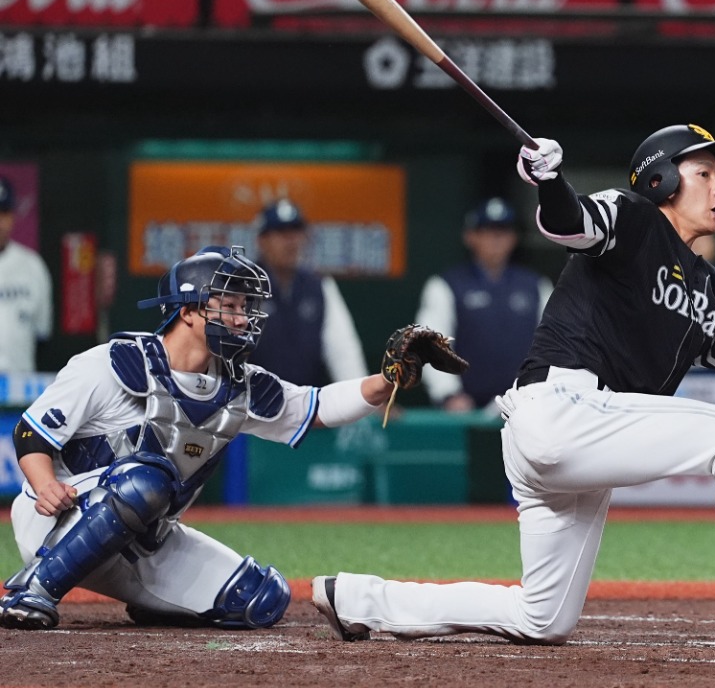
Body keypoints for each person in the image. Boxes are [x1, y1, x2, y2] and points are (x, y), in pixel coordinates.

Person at [312, 123, 715, 658]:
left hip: (578, 432)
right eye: (705, 173)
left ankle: (358, 598)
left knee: (543, 618)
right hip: (563, 406)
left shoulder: (707, 286)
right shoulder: (634, 215)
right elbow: (569, 222)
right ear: (663, 180)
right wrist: (550, 180)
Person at [0, 246, 463, 631]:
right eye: (230, 305)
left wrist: (388, 379)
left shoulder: (239, 384)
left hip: (143, 542)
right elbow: (30, 432)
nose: (243, 318)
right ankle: (32, 590)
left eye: (245, 307)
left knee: (260, 598)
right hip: (58, 523)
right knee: (146, 481)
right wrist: (44, 484)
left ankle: (155, 602)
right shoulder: (114, 363)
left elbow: (317, 406)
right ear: (188, 311)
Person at [415, 197, 552, 412]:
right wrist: (449, 394)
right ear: (470, 236)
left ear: (514, 238)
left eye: (503, 231)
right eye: (487, 231)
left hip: (526, 408)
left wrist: (544, 392)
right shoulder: (446, 285)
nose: (496, 239)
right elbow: (430, 344)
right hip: (466, 411)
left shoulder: (536, 285)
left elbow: (553, 347)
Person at [248, 199, 368, 385]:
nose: (290, 241)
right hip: (252, 399)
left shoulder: (319, 285)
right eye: (281, 233)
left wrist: (361, 394)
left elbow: (343, 352)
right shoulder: (242, 284)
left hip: (306, 399)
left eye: (295, 232)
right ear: (261, 240)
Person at [0, 175, 53, 373]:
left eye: (4, 212)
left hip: (21, 383)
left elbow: (42, 332)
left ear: (13, 216)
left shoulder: (32, 266)